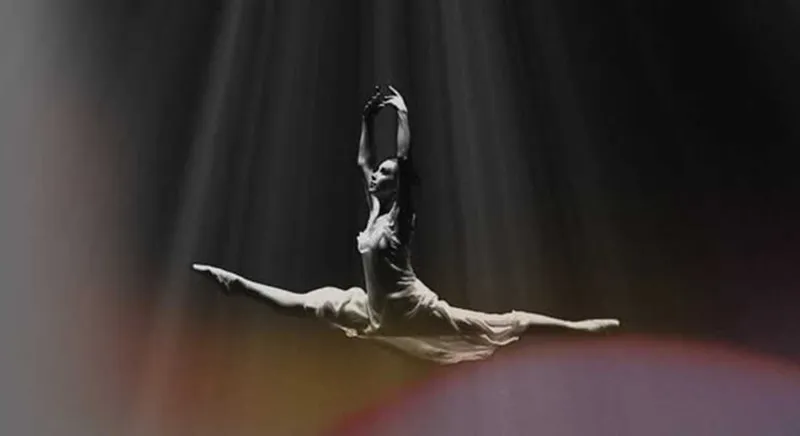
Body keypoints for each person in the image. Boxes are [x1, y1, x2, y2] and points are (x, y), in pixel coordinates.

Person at [193, 85, 619, 364]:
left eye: (385, 173)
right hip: (377, 313)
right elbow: (362, 161)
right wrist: (366, 120)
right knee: (305, 305)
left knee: (506, 323)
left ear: (397, 185)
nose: (376, 174)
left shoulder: (400, 218)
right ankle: (235, 284)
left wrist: (402, 115)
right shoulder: (375, 211)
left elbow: (405, 161)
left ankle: (579, 328)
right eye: (378, 172)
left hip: (415, 309)